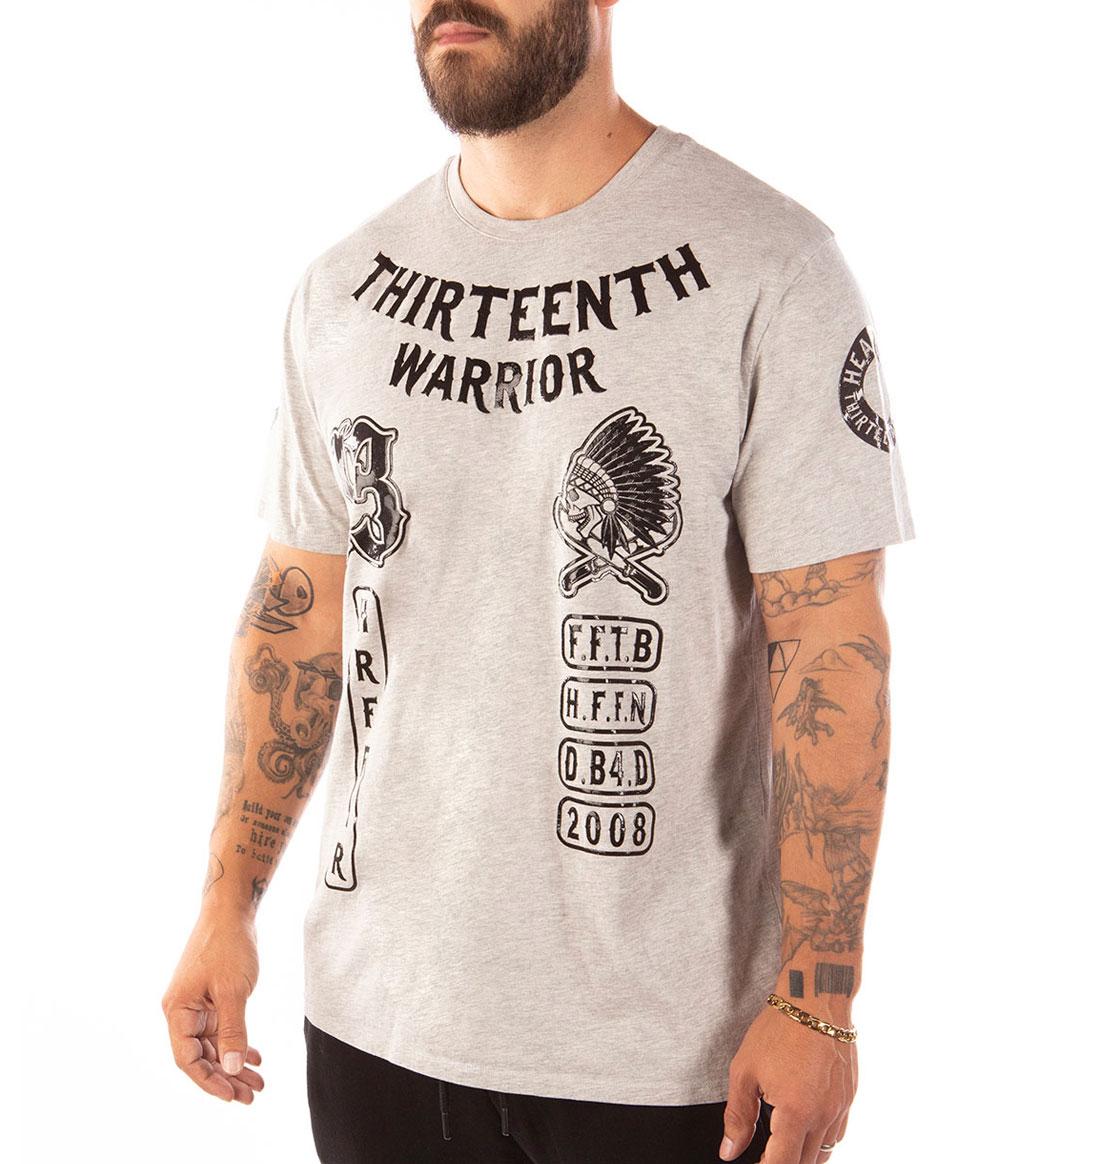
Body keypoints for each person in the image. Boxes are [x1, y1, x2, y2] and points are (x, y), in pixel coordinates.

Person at [161, 2, 915, 1161]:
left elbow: (829, 645)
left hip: (663, 1058)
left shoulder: (771, 267)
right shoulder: (343, 289)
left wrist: (821, 999)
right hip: (371, 1025)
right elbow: (297, 619)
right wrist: (227, 905)